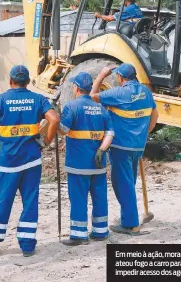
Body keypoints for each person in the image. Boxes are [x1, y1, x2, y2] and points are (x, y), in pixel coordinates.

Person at [0, 65, 60, 257]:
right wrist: (45, 142)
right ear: (28, 82)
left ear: (11, 81)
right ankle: (27, 245)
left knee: (2, 200)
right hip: (32, 159)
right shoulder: (38, 99)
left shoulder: (2, 100)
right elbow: (54, 119)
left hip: (9, 160)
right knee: (30, 201)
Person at [90, 63, 159, 235]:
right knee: (129, 182)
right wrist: (143, 134)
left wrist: (101, 75)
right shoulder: (146, 92)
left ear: (120, 78)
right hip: (138, 146)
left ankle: (131, 224)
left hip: (121, 147)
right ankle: (128, 216)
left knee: (123, 184)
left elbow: (91, 96)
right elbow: (155, 115)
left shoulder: (119, 92)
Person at [59, 72, 114, 246]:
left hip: (78, 164)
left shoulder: (71, 107)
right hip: (98, 164)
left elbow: (63, 130)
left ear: (76, 88)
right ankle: (100, 231)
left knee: (78, 198)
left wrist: (54, 117)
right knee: (99, 197)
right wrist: (101, 150)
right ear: (90, 88)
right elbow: (110, 133)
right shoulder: (101, 109)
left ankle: (78, 235)